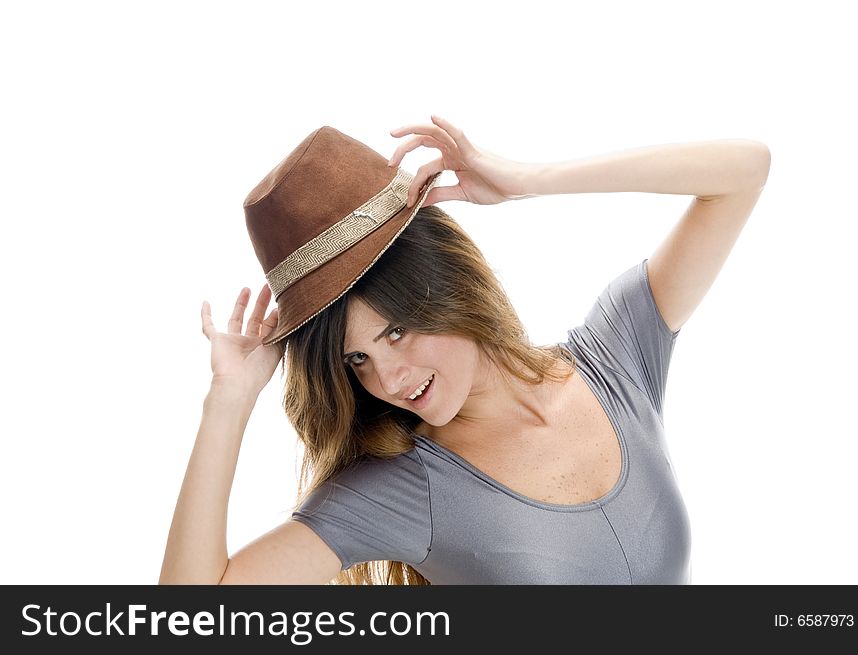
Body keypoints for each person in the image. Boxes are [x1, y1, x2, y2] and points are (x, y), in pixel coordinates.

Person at [159, 116, 770, 585]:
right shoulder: (401, 488)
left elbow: (744, 170)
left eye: (395, 331)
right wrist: (228, 403)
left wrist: (531, 182)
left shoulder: (617, 358)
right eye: (357, 360)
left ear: (446, 286)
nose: (389, 380)